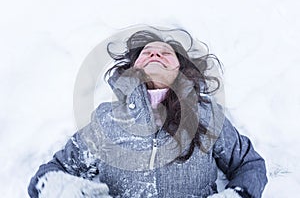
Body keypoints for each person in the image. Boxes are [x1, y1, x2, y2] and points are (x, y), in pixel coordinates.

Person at [28, 27, 268, 198]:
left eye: (165, 53)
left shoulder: (206, 115)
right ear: (133, 68)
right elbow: (50, 174)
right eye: (147, 52)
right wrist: (62, 190)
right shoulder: (106, 120)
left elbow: (250, 165)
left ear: (180, 68)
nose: (155, 54)